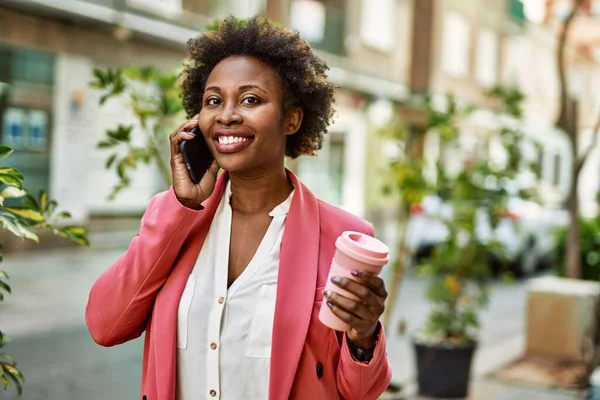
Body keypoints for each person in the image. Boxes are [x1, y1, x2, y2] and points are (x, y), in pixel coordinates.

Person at [85, 16, 392, 400]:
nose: (227, 114)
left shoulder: (343, 237)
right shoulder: (175, 219)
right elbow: (104, 325)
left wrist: (363, 336)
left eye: (250, 99)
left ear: (292, 119)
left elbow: (360, 392)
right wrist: (181, 206)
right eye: (214, 100)